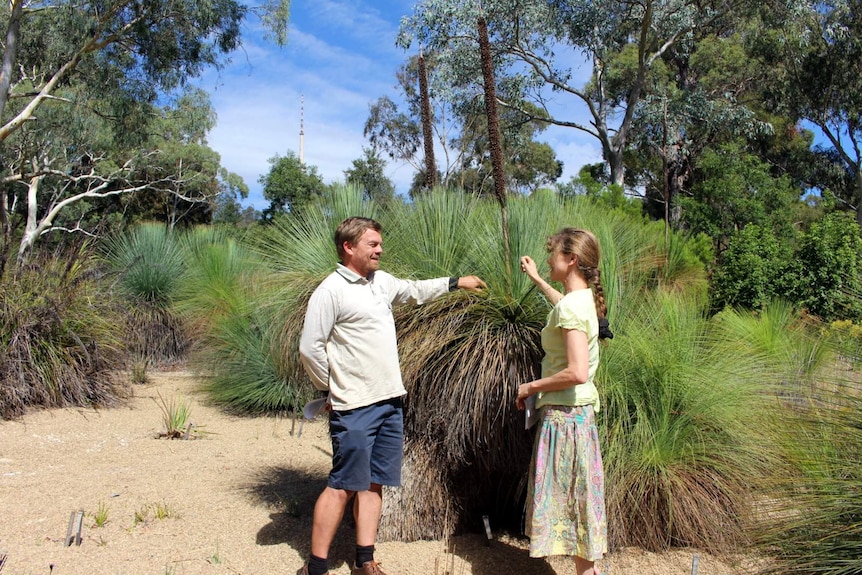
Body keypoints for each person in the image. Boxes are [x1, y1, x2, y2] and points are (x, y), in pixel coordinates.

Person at [297, 216, 486, 575]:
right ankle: (316, 567)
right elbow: (310, 349)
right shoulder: (330, 291)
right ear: (348, 247)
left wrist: (455, 282)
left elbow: (414, 290)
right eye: (372, 244)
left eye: (380, 244)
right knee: (341, 485)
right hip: (354, 406)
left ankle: (365, 559)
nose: (380, 249)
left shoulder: (380, 281)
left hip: (389, 401)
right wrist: (330, 389)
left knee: (373, 483)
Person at [516, 227, 612, 575]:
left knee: (570, 505)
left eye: (552, 253)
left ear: (570, 260)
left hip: (565, 420)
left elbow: (577, 371)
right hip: (579, 417)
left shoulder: (574, 307)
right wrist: (539, 279)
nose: (547, 257)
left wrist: (531, 387)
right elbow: (564, 307)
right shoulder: (582, 298)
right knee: (579, 505)